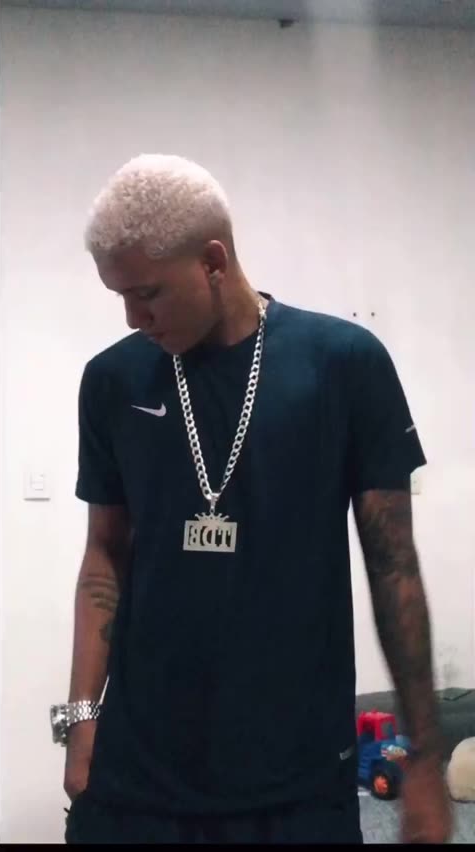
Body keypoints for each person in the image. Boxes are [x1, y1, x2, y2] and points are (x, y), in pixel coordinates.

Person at [52, 154, 452, 844]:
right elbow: (103, 559)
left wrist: (423, 753)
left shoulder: (344, 364)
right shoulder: (112, 381)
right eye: (119, 297)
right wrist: (81, 720)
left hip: (296, 780)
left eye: (147, 294)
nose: (134, 318)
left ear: (213, 260)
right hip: (138, 776)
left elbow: (393, 564)